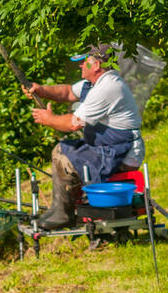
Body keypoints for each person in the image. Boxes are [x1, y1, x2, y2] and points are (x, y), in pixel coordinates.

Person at [24, 43, 145, 229]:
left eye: (84, 62)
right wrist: (41, 90)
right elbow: (66, 92)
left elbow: (74, 123)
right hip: (106, 146)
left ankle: (64, 214)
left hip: (120, 152)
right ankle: (63, 209)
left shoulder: (108, 87)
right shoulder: (93, 84)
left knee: (64, 157)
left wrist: (50, 119)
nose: (80, 66)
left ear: (96, 65)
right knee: (63, 149)